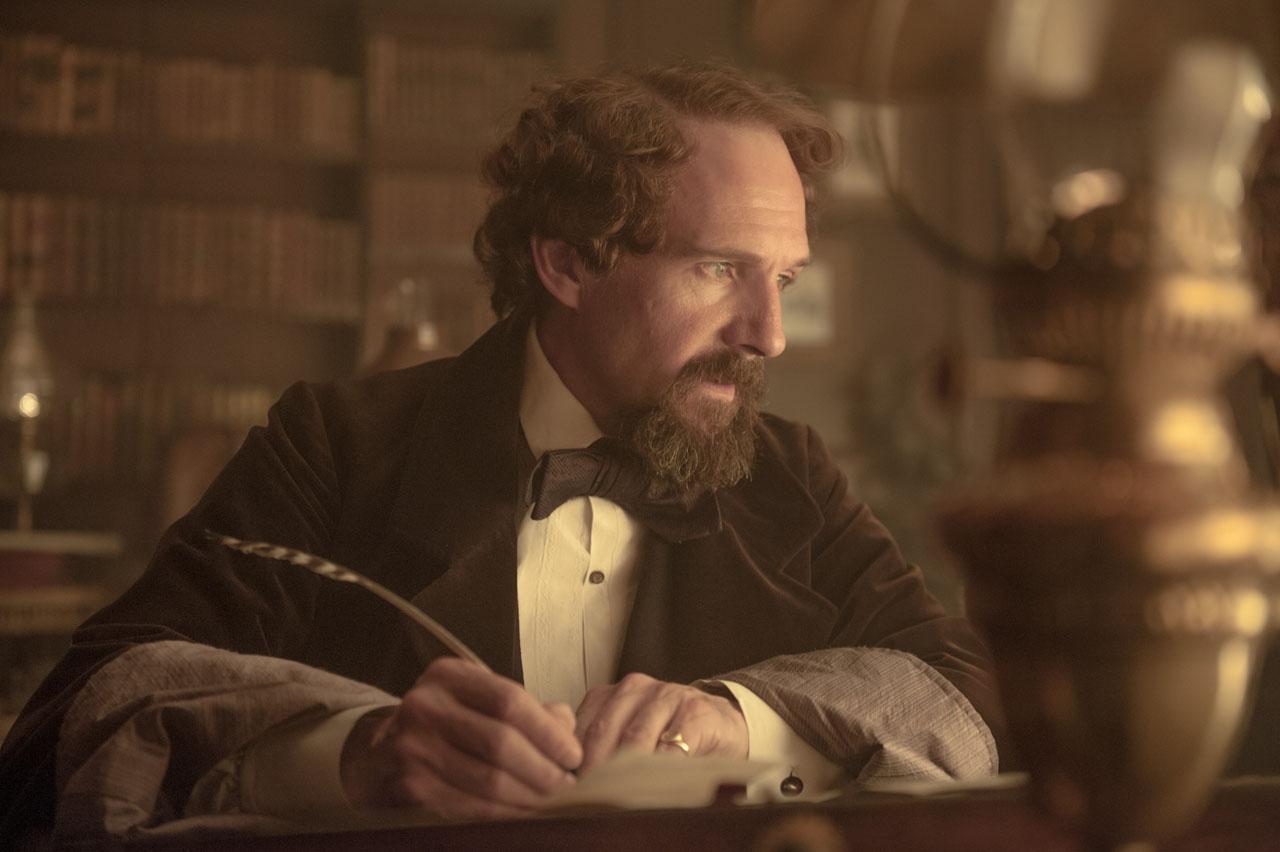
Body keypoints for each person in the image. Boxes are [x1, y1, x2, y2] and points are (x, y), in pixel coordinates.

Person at [0, 61, 1003, 845]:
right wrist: (354, 756)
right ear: (566, 261)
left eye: (782, 278)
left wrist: (743, 721)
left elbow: (966, 690)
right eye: (716, 269)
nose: (768, 334)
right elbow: (76, 721)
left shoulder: (790, 476)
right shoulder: (336, 447)